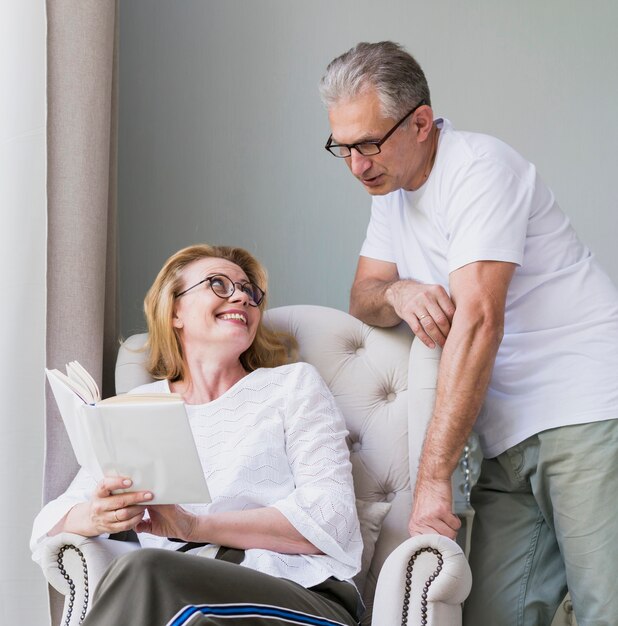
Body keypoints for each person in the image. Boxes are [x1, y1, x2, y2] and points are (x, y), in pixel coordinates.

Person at [320, 41, 618, 625]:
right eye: (344, 148)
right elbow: (363, 295)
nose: (357, 165)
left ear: (421, 123)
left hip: (584, 407)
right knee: (489, 617)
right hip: (502, 432)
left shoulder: (480, 170)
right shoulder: (392, 191)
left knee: (604, 608)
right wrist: (399, 291)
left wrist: (433, 479)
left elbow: (480, 320)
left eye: (369, 144)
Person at [31, 244, 363, 626]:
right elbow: (49, 522)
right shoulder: (138, 406)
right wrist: (97, 515)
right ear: (175, 311)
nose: (241, 296)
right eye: (218, 284)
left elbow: (333, 518)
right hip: (181, 600)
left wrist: (192, 527)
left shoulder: (292, 386)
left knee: (148, 570)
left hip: (302, 594)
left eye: (249, 291)